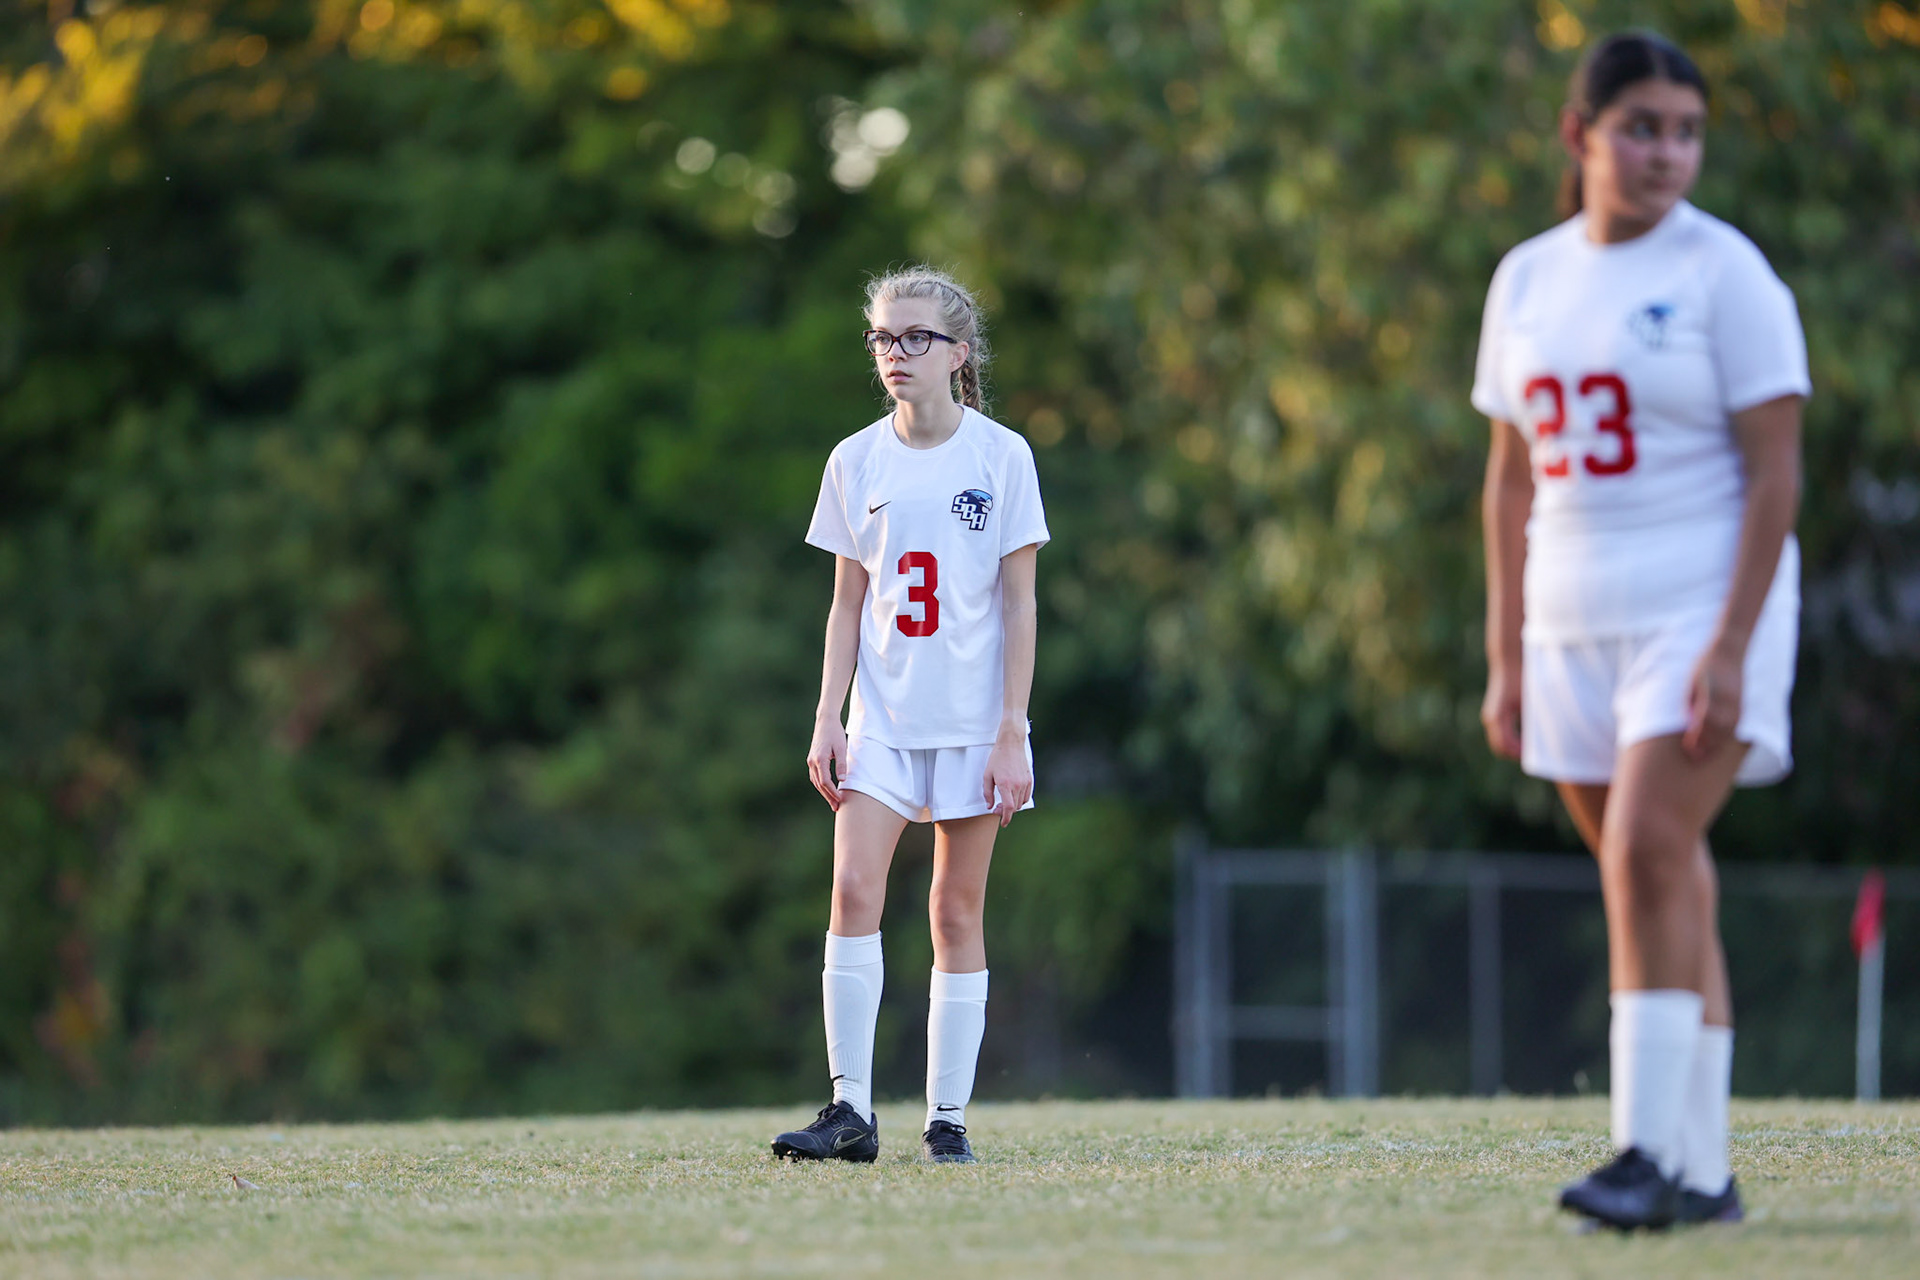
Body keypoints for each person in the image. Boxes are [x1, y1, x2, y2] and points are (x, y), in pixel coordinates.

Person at [1473, 32, 1808, 1230]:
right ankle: (1706, 1173)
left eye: (1686, 130)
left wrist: (1728, 641)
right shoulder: (1527, 277)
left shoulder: (1728, 273)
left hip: (1698, 607)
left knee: (1644, 853)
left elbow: (1777, 475)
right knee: (1666, 874)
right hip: (1570, 617)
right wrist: (1507, 651)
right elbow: (1510, 479)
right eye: (1642, 126)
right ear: (1581, 133)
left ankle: (1643, 1154)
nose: (1668, 151)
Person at [771, 267, 1049, 1166]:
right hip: (881, 720)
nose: (896, 354)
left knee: (953, 911)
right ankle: (849, 1111)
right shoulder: (855, 459)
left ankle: (947, 1120)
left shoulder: (1001, 457)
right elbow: (847, 601)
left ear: (958, 353)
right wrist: (827, 716)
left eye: (916, 338)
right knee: (854, 891)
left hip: (973, 724)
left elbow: (1020, 605)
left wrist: (1014, 729)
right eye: (884, 339)